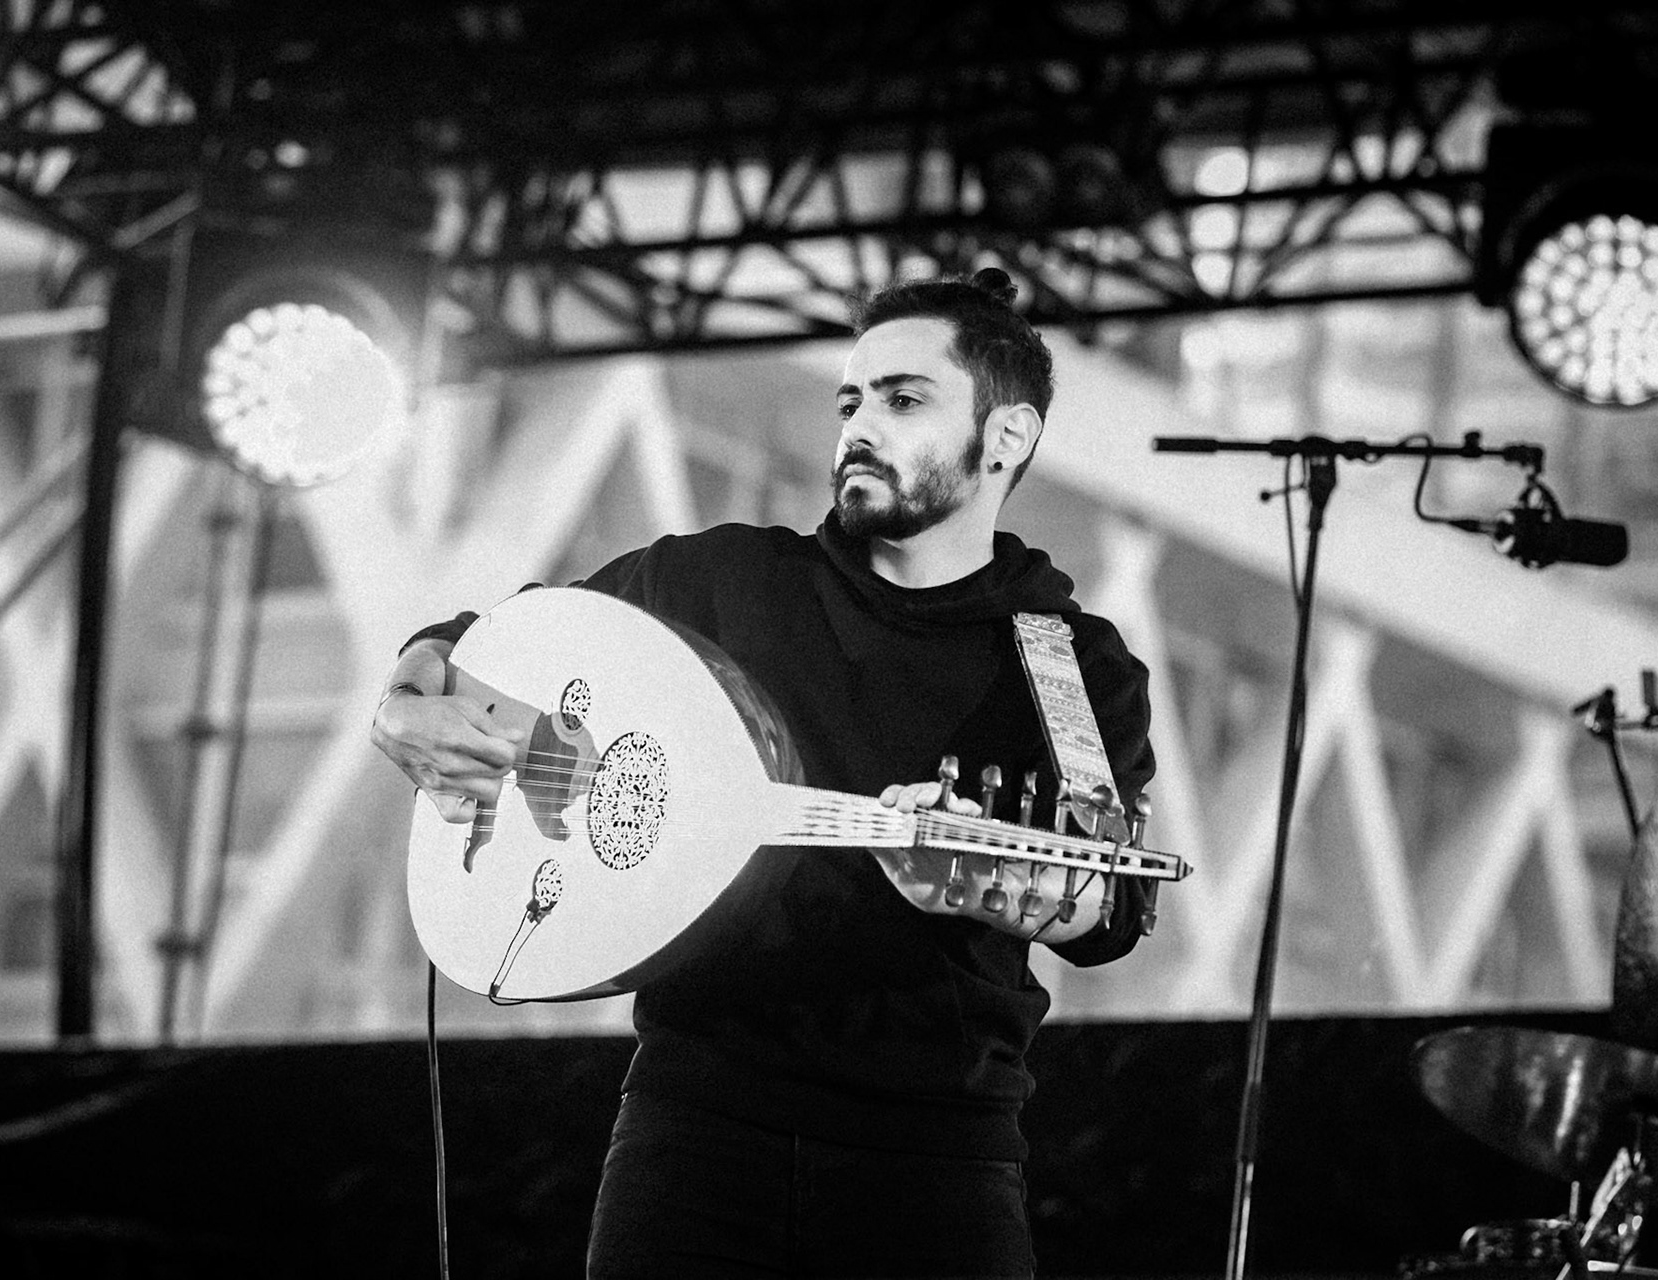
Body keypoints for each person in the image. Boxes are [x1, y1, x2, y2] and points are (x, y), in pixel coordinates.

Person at [370, 268, 1157, 1279]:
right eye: (852, 400)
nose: (861, 426)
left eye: (904, 398)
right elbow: (499, 642)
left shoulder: (1071, 664)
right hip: (692, 1129)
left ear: (1006, 436)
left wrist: (1011, 890)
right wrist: (406, 691)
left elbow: (1112, 907)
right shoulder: (719, 580)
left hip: (935, 1161)